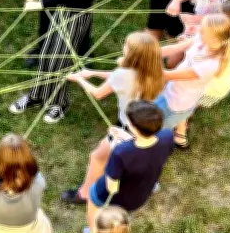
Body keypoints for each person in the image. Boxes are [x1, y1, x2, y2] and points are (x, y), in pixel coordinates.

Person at [9, 0, 116, 124]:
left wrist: (41, 4)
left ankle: (60, 103)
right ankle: (36, 95)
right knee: (45, 54)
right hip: (62, 12)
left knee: (59, 61)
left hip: (76, 18)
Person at [61, 32, 166, 204]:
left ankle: (85, 193)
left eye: (126, 45)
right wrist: (92, 72)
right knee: (140, 153)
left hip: (128, 126)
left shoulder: (123, 75)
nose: (123, 46)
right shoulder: (156, 72)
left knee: (98, 157)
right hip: (148, 124)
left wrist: (79, 79)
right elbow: (118, 77)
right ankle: (150, 182)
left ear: (133, 55)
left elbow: (98, 93)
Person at [86, 101, 174, 231]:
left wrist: (115, 147)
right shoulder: (167, 136)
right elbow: (146, 148)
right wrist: (125, 137)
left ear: (133, 127)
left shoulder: (121, 152)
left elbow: (112, 188)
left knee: (92, 198)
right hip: (139, 196)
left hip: (117, 198)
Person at [155, 14, 230, 146]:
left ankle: (149, 150)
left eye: (202, 31)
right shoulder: (202, 40)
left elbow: (168, 75)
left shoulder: (210, 64)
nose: (198, 31)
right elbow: (175, 48)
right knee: (153, 112)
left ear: (214, 39)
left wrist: (145, 62)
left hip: (178, 103)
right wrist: (151, 52)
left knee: (156, 128)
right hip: (172, 90)